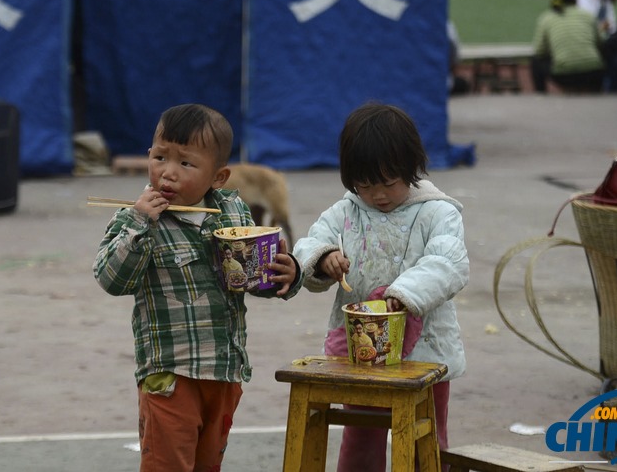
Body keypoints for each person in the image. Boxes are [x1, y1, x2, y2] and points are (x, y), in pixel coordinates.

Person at [93, 103, 302, 472]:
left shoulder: (233, 212)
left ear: (218, 177)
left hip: (224, 372)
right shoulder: (135, 218)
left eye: (186, 164)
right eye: (160, 157)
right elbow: (112, 279)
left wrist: (286, 275)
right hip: (170, 374)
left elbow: (253, 279)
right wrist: (141, 223)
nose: (168, 173)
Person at [292, 102, 469, 472]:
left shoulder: (438, 212)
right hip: (361, 355)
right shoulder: (345, 211)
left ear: (412, 168)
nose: (379, 195)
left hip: (425, 352)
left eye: (389, 183)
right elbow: (308, 245)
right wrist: (324, 259)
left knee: (427, 439)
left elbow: (447, 263)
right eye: (366, 185)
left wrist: (403, 294)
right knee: (360, 435)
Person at [531, 0, 605, 93]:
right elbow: (601, 43)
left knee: (536, 61)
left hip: (564, 75)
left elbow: (539, 51)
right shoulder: (588, 16)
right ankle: (600, 90)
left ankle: (541, 93)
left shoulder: (547, 18)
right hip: (593, 73)